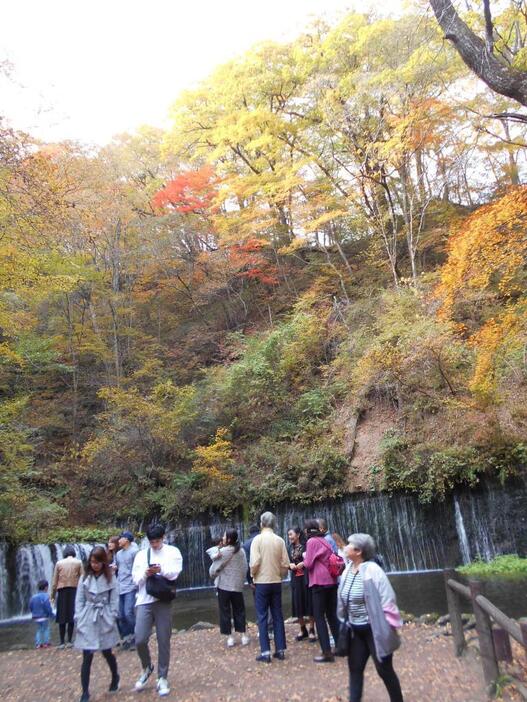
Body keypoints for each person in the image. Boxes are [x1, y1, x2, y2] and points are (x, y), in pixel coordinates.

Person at [338, 533, 404, 702]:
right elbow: (342, 600)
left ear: (359, 551)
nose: (345, 547)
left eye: (349, 545)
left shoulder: (373, 570)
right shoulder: (347, 570)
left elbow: (388, 598)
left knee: (385, 671)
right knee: (355, 670)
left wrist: (389, 625)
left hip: (373, 630)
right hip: (355, 630)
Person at [132, 524, 182, 697]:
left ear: (163, 538)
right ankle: (147, 667)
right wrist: (146, 573)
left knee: (163, 640)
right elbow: (135, 581)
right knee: (139, 638)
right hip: (144, 600)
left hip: (163, 600)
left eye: (157, 541)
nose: (154, 545)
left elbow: (175, 574)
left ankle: (162, 677)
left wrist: (161, 570)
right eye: (152, 542)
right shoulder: (140, 555)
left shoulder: (173, 552)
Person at [74, 546, 120, 702]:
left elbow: (114, 600)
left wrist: (112, 616)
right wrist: (79, 616)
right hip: (88, 617)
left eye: (98, 562)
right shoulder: (84, 577)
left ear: (103, 562)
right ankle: (85, 692)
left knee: (107, 652)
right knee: (87, 655)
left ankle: (115, 676)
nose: (95, 565)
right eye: (92, 562)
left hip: (104, 616)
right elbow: (79, 599)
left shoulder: (111, 578)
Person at [249, 511, 289, 663]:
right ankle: (280, 650)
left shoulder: (257, 540)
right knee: (278, 615)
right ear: (274, 524)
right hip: (276, 581)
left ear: (261, 523)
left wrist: (253, 575)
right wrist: (280, 575)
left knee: (262, 616)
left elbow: (255, 562)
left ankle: (265, 652)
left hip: (261, 582)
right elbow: (285, 563)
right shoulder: (280, 540)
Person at [303, 519, 340, 663]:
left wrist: (304, 558)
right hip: (332, 581)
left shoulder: (311, 542)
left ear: (307, 531)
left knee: (319, 617)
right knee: (332, 615)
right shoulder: (325, 539)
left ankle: (327, 653)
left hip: (319, 583)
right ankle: (340, 647)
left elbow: (309, 564)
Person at [209, 528, 249, 647]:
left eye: (225, 536)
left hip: (224, 586)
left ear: (229, 539)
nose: (223, 537)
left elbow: (213, 569)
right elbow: (245, 568)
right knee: (239, 610)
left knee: (225, 611)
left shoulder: (224, 551)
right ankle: (244, 636)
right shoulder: (241, 551)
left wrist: (213, 574)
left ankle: (230, 637)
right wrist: (241, 581)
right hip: (237, 586)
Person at [287, 526, 316, 642]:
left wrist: (304, 563)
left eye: (291, 534)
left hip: (306, 577)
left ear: (298, 535)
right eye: (288, 535)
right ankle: (302, 628)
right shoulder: (289, 548)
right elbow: (286, 562)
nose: (289, 537)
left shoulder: (306, 545)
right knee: (297, 603)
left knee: (309, 603)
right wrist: (290, 565)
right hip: (295, 579)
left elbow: (312, 559)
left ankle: (312, 629)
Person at [51, 545, 83, 648]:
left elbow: (54, 581)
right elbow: (83, 578)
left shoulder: (59, 563)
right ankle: (69, 641)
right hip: (74, 590)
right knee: (71, 616)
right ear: (73, 552)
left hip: (62, 591)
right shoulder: (78, 562)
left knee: (61, 616)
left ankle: (61, 642)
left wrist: (52, 595)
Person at [115, 530, 139, 650]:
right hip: (120, 586)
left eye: (121, 538)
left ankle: (136, 637)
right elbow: (119, 568)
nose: (118, 540)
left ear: (127, 540)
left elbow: (138, 567)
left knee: (128, 613)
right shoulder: (118, 554)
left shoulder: (134, 552)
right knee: (120, 615)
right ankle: (126, 638)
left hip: (130, 586)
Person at [29, 579, 53, 649]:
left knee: (39, 629)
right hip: (44, 616)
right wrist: (51, 614)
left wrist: (33, 612)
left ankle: (38, 644)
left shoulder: (33, 597)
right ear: (46, 587)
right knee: (46, 629)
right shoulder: (46, 596)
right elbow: (47, 606)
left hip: (36, 617)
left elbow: (30, 605)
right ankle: (46, 643)